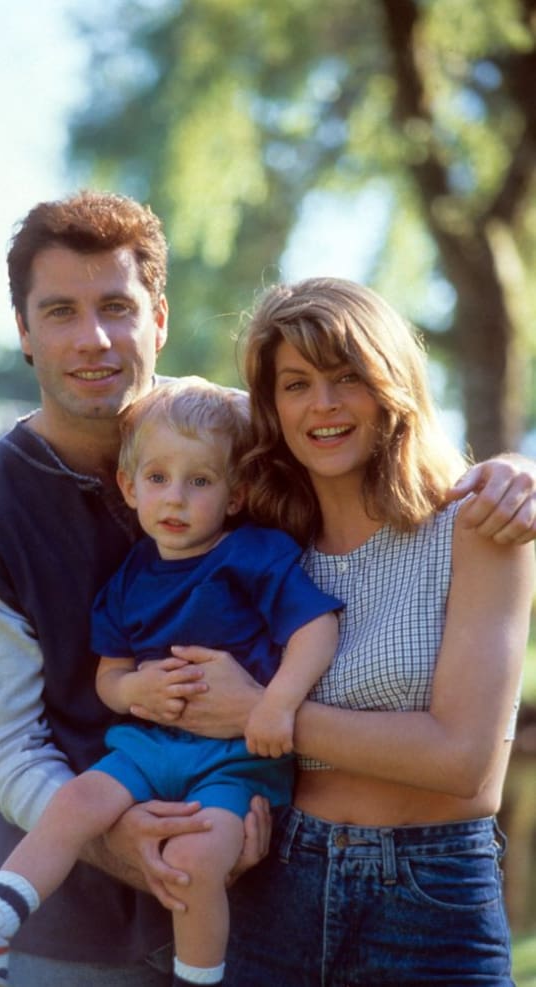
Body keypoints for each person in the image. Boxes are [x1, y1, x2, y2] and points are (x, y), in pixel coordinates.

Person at [0, 189, 536, 987]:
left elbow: (377, 450)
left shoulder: (247, 449)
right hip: (92, 925)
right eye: (60, 311)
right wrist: (121, 830)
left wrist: (513, 470)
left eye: (117, 307)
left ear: (158, 319)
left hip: (289, 875)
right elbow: (2, 744)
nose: (93, 337)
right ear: (24, 332)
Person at [0, 377, 341, 987]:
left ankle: (198, 978)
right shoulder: (134, 572)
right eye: (158, 479)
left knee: (194, 864)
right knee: (76, 801)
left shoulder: (254, 554)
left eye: (201, 481)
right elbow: (109, 675)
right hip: (149, 746)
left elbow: (315, 627)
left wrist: (277, 705)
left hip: (234, 761)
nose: (176, 499)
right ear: (129, 488)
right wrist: (135, 692)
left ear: (235, 494)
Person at [197, 277, 534, 986]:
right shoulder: (261, 542)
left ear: (391, 383)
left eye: (346, 377)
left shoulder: (477, 526)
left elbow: (462, 759)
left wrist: (262, 712)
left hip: (431, 896)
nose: (322, 405)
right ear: (273, 406)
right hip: (273, 883)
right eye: (296, 383)